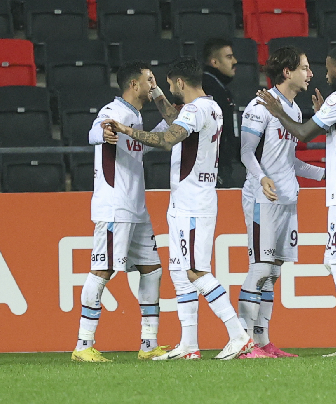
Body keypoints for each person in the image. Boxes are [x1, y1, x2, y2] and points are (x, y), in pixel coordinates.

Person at [102, 58, 253, 360]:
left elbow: (166, 139)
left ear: (181, 82)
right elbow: (175, 120)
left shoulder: (195, 110)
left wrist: (126, 130)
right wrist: (158, 93)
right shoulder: (209, 107)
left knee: (196, 271)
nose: (169, 89)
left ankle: (238, 335)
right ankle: (188, 344)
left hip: (193, 202)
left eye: (170, 84)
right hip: (188, 201)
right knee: (180, 273)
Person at [256, 44, 336, 357]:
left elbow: (303, 133)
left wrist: (277, 111)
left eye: (328, 68)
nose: (323, 74)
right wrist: (322, 115)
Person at [72, 61, 169, 362]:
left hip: (136, 208)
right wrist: (103, 132)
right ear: (134, 85)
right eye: (149, 80)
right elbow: (95, 130)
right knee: (102, 270)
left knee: (152, 269)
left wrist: (165, 124)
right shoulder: (113, 111)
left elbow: (142, 147)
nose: (153, 85)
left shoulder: (135, 117)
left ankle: (149, 344)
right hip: (115, 206)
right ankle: (83, 344)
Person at [237, 46, 324, 359]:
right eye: (304, 68)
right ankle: (243, 342)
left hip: (287, 198)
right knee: (260, 267)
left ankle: (263, 341)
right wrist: (262, 178)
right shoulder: (260, 106)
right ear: (287, 72)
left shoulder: (294, 111)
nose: (310, 74)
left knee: (273, 272)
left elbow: (289, 161)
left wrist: (325, 174)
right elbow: (246, 152)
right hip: (263, 198)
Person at [202, 38, 241, 188]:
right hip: (211, 170)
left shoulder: (217, 86)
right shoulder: (209, 88)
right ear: (215, 62)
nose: (235, 61)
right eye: (229, 57)